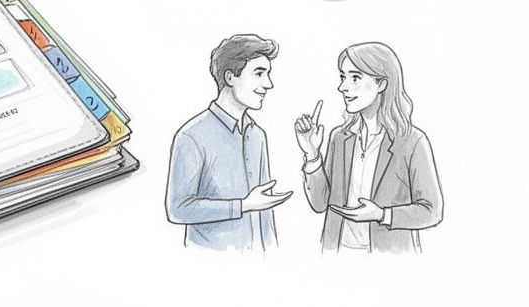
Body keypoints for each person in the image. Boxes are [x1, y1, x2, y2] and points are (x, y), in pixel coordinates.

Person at [294, 42, 443, 254]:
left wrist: (383, 215)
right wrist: (311, 153)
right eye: (343, 77)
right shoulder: (340, 137)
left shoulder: (412, 141)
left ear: (381, 83)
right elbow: (320, 204)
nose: (343, 87)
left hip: (390, 258)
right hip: (336, 253)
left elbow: (432, 211)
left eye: (355, 77)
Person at [166, 34, 292, 251]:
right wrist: (243, 206)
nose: (268, 84)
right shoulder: (191, 136)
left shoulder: (258, 135)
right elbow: (177, 209)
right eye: (259, 73)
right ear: (230, 77)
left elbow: (264, 213)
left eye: (268, 74)